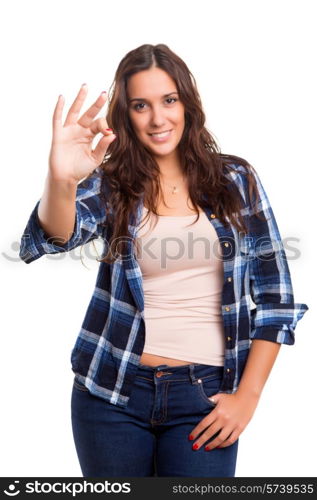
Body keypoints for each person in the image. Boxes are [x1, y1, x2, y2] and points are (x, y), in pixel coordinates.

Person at [19, 43, 308, 478]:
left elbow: (275, 298)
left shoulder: (236, 180)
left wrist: (247, 397)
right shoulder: (113, 184)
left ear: (187, 103)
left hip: (205, 395)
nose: (158, 118)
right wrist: (60, 178)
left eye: (168, 100)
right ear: (125, 114)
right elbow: (56, 236)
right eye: (141, 105)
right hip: (112, 394)